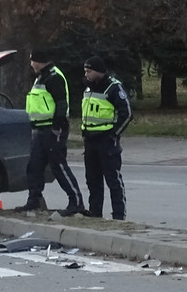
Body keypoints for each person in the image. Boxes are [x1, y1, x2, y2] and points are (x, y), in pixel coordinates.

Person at [14, 50, 85, 216]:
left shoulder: (53, 77)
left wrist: (57, 126)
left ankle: (76, 202)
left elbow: (61, 103)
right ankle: (34, 201)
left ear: (39, 61)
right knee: (34, 166)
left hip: (52, 129)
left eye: (32, 61)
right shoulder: (42, 76)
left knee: (58, 165)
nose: (31, 64)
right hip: (39, 129)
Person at [80, 56, 133, 219]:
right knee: (92, 180)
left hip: (106, 141)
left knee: (113, 181)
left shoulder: (113, 87)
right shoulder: (89, 88)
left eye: (89, 71)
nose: (86, 74)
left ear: (98, 71)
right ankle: (95, 212)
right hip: (90, 140)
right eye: (85, 71)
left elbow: (127, 114)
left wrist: (113, 134)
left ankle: (118, 215)